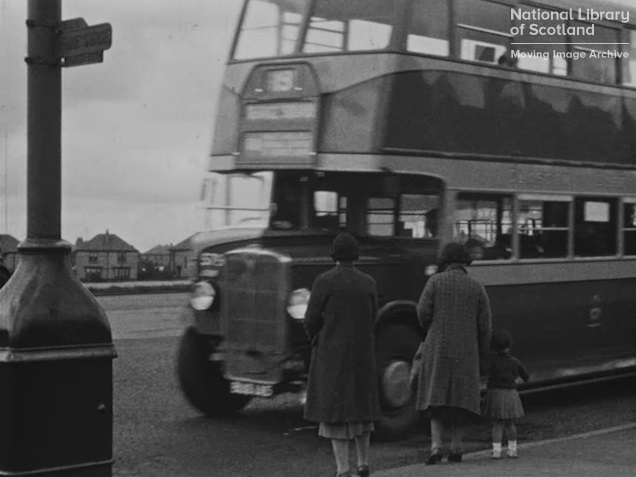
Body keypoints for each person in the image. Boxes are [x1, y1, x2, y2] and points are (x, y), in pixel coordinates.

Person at [304, 233, 380, 477]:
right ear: (356, 254)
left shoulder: (324, 280)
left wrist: (318, 338)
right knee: (361, 409)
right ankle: (363, 463)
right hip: (362, 352)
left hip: (333, 352)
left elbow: (311, 319)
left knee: (335, 412)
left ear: (334, 254)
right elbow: (373, 316)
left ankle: (343, 469)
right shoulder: (368, 282)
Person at [415, 242, 492, 464]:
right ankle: (457, 448)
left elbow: (422, 313)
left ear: (445, 260)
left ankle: (436, 448)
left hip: (437, 348)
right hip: (466, 351)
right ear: (465, 261)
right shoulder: (477, 287)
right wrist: (483, 354)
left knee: (436, 399)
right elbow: (485, 325)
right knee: (460, 400)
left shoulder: (434, 282)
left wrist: (433, 329)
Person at [482, 329, 529, 459]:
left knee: (497, 424)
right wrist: (517, 381)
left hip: (496, 394)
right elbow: (526, 376)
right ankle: (512, 449)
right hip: (510, 394)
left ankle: (496, 451)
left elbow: (483, 371)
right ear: (509, 345)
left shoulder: (492, 361)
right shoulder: (515, 362)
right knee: (510, 424)